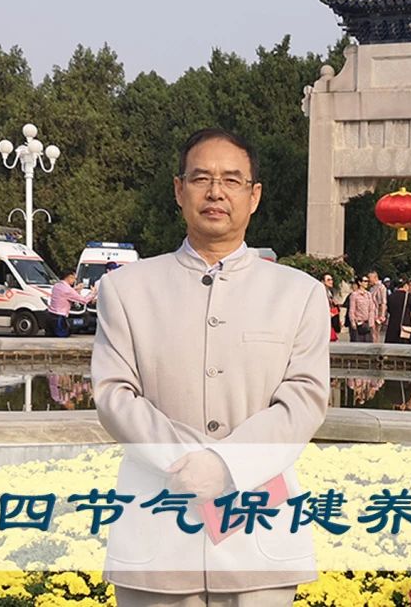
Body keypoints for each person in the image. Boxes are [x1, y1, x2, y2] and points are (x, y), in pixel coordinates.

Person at [90, 128, 328, 605]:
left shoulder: (298, 293)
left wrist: (226, 465)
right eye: (201, 178)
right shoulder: (127, 289)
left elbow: (304, 401)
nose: (216, 192)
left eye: (232, 180)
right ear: (179, 190)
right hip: (157, 530)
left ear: (254, 196)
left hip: (259, 536)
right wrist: (185, 462)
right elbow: (114, 394)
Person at [48, 270, 93, 338]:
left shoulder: (56, 286)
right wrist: (93, 293)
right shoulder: (68, 290)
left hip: (51, 315)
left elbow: (66, 294)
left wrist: (75, 289)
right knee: (63, 336)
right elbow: (84, 301)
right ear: (69, 277)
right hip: (60, 317)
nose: (74, 281)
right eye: (74, 278)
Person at [385, 279, 411, 344]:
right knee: (404, 345)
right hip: (404, 325)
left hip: (392, 324)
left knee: (391, 344)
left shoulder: (391, 296)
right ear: (405, 285)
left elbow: (389, 310)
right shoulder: (408, 296)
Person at [348, 276, 376, 342]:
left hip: (367, 323)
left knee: (368, 343)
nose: (367, 283)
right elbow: (352, 310)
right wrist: (353, 322)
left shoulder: (369, 294)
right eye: (365, 281)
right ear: (360, 282)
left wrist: (371, 323)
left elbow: (371, 309)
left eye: (368, 281)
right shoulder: (354, 295)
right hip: (358, 324)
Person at [367, 271, 388, 341]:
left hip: (377, 313)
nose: (368, 280)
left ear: (375, 278)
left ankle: (376, 346)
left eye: (369, 278)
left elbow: (383, 302)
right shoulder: (372, 288)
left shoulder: (381, 287)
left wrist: (382, 315)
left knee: (375, 332)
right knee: (372, 332)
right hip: (371, 312)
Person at [323, 273, 341, 342]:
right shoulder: (321, 292)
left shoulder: (330, 292)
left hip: (332, 319)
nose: (331, 281)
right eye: (328, 280)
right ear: (323, 281)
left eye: (331, 280)